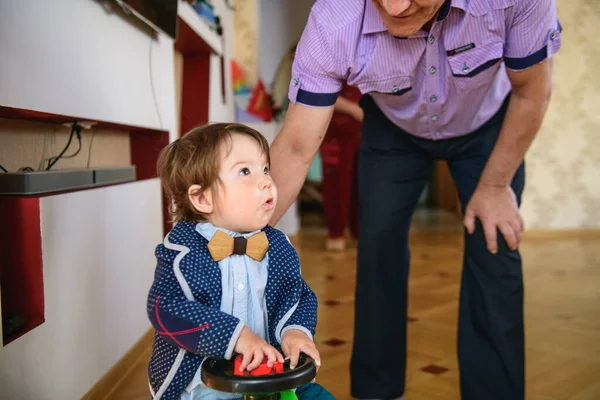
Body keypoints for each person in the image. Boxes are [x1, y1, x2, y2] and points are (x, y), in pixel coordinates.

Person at [267, 0, 562, 399]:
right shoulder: (334, 17)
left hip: (488, 127)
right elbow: (298, 146)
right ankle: (377, 391)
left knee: (495, 246)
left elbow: (532, 92)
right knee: (378, 245)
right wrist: (245, 236)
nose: (396, 6)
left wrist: (494, 188)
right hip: (393, 129)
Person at [146, 123, 334, 400]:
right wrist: (235, 336)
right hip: (204, 385)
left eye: (265, 169)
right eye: (245, 171)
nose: (267, 181)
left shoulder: (277, 246)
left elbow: (296, 294)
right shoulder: (183, 251)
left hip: (270, 373)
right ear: (203, 197)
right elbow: (165, 308)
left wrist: (295, 331)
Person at [321, 82, 363, 251]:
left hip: (364, 128)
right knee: (337, 182)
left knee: (363, 182)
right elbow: (322, 90)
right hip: (337, 129)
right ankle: (336, 232)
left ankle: (359, 231)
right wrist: (354, 110)